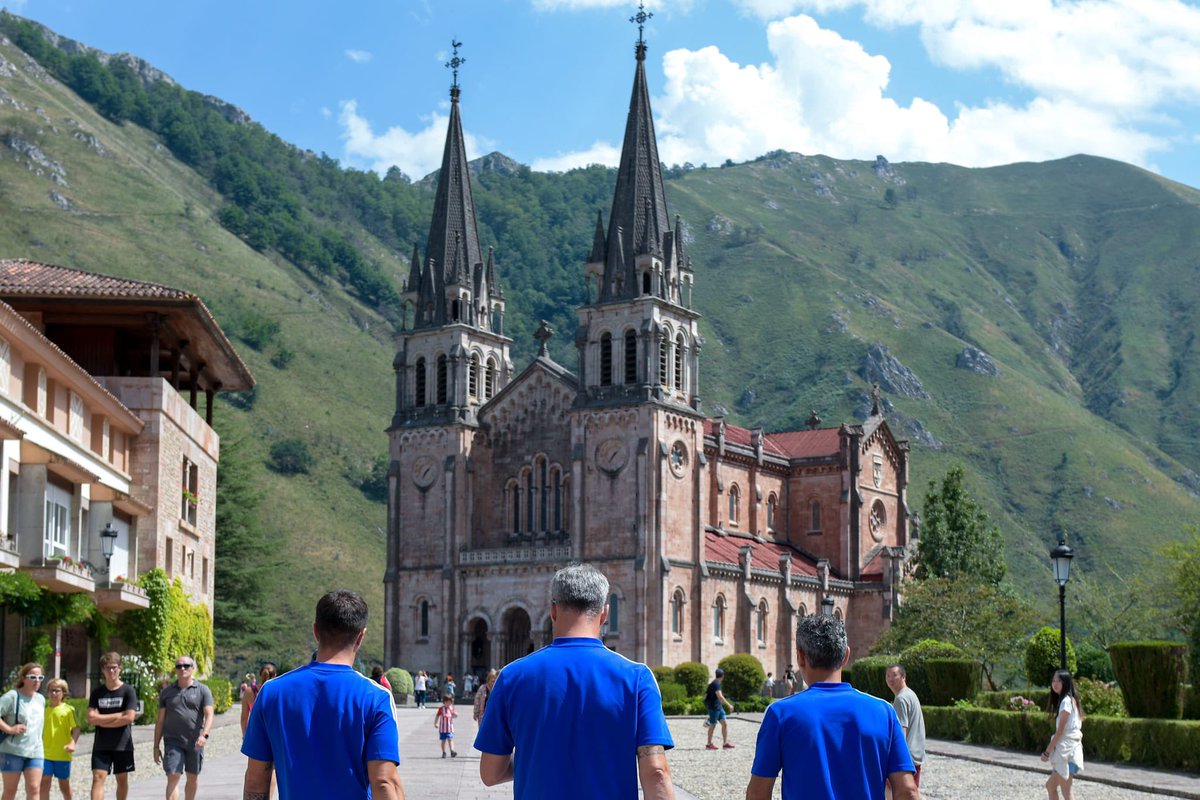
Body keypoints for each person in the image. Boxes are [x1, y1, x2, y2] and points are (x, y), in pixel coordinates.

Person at [475, 563, 675, 800]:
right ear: (605, 613)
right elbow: (656, 772)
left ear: (553, 610)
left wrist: (540, 757)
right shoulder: (637, 678)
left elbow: (490, 773)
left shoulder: (511, 677)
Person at [241, 589, 404, 800]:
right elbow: (384, 782)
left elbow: (255, 781)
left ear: (316, 631)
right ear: (360, 636)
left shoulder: (272, 692)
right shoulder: (377, 697)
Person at [745, 615, 919, 800]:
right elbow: (907, 790)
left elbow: (757, 793)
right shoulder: (884, 712)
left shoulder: (781, 714)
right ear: (846, 655)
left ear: (800, 657)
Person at [153, 655, 213, 800]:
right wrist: (156, 746)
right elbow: (160, 721)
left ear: (192, 668)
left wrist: (204, 735)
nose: (183, 669)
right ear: (176, 670)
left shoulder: (202, 690)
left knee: (192, 777)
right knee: (173, 775)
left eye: (186, 666)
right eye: (179, 666)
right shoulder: (167, 693)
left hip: (195, 742)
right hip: (173, 741)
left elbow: (209, 715)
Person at [88, 652, 138, 800]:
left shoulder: (128, 691)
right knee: (98, 777)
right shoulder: (97, 692)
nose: (111, 671)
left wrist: (101, 719)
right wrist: (117, 716)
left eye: (114, 667)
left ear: (120, 669)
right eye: (108, 668)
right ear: (103, 670)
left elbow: (129, 717)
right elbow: (91, 718)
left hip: (122, 744)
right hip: (101, 744)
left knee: (121, 779)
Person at [0, 663, 46, 800]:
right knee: (10, 791)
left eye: (40, 677)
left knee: (34, 789)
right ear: (23, 678)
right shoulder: (12, 696)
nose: (37, 681)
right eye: (32, 677)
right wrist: (9, 729)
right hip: (12, 751)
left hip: (36, 751)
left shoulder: (41, 699)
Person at [1041, 670, 1084, 800]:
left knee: (1067, 792)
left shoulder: (1066, 701)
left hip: (1066, 753)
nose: (1055, 684)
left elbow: (1061, 732)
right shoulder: (1069, 700)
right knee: (1050, 786)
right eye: (1053, 680)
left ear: (1066, 682)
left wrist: (1047, 752)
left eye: (1059, 681)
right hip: (1068, 750)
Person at [886, 665, 925, 786]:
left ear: (903, 677)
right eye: (887, 676)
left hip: (906, 760)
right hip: (916, 756)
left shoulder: (901, 699)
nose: (890, 679)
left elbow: (900, 734)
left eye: (894, 675)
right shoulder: (910, 694)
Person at [41, 678, 80, 800]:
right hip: (45, 754)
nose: (53, 693)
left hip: (62, 754)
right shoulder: (43, 710)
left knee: (64, 785)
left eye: (57, 691)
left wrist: (72, 743)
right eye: (51, 691)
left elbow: (76, 729)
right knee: (44, 783)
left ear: (63, 693)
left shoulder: (69, 710)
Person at [240, 664, 276, 736]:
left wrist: (245, 737)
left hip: (256, 733)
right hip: (274, 734)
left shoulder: (249, 692)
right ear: (275, 676)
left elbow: (244, 718)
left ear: (260, 675)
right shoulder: (277, 692)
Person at [703, 669, 735, 750]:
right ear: (723, 676)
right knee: (712, 725)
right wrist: (729, 705)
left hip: (718, 707)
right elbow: (720, 696)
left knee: (724, 724)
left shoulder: (713, 683)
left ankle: (725, 743)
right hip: (714, 708)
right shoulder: (716, 684)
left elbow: (705, 696)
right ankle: (709, 744)